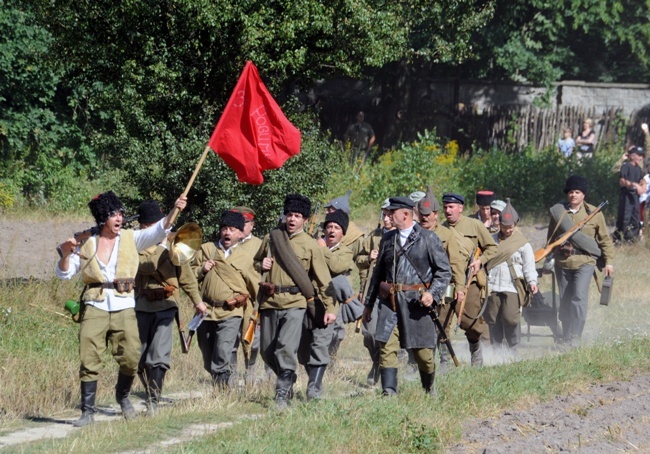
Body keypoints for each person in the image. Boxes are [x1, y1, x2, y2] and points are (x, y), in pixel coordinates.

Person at [56, 191, 187, 427]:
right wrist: (66, 254)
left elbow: (158, 230)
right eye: (113, 214)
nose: (119, 219)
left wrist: (174, 210)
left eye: (120, 214)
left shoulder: (131, 238)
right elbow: (65, 273)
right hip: (95, 303)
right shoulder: (88, 243)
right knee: (89, 358)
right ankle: (87, 412)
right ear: (102, 218)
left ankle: (123, 395)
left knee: (131, 357)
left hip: (124, 304)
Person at [363, 197, 451, 396]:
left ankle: (429, 388)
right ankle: (389, 393)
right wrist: (368, 304)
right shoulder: (387, 239)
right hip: (389, 302)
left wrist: (433, 293)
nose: (387, 217)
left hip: (416, 304)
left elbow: (444, 272)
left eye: (391, 213)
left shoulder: (428, 238)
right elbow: (377, 275)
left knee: (424, 354)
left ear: (405, 214)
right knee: (386, 347)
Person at [255, 194, 337, 408]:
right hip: (270, 302)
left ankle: (282, 393)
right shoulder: (272, 238)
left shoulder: (311, 246)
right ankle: (288, 376)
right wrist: (260, 265)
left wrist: (330, 307)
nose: (292, 219)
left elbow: (323, 280)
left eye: (297, 216)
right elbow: (254, 263)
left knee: (285, 347)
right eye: (290, 214)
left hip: (295, 303)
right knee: (266, 350)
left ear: (305, 220)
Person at [134, 200, 206, 416]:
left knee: (158, 355)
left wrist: (197, 301)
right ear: (146, 227)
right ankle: (149, 392)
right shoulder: (136, 244)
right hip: (141, 306)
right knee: (139, 357)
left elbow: (186, 276)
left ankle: (153, 401)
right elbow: (147, 267)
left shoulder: (176, 243)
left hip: (166, 306)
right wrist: (163, 246)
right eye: (154, 225)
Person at [192, 210, 260, 389]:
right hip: (205, 310)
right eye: (224, 228)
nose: (227, 233)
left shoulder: (246, 258)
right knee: (207, 355)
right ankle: (221, 380)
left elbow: (255, 286)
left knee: (223, 351)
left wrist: (257, 312)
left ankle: (222, 391)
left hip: (232, 312)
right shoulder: (207, 249)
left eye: (232, 229)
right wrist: (201, 270)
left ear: (240, 233)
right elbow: (188, 276)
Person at [547, 175, 614, 346]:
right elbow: (551, 238)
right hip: (563, 262)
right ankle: (567, 334)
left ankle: (575, 338)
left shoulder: (594, 214)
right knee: (565, 300)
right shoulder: (559, 212)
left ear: (584, 194)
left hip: (585, 262)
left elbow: (605, 240)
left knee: (578, 298)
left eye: (577, 192)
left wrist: (609, 262)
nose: (573, 195)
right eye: (571, 192)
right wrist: (548, 258)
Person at [298, 209, 353, 400]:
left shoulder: (345, 252)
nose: (331, 230)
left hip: (329, 304)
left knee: (320, 345)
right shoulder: (312, 246)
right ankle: (313, 377)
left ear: (342, 233)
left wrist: (320, 249)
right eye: (329, 226)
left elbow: (336, 266)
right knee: (304, 349)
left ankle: (314, 387)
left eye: (336, 228)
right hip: (307, 302)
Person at [442, 192, 498, 366]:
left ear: (460, 208)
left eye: (451, 207)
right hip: (447, 282)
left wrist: (479, 261)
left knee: (470, 322)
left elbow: (492, 248)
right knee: (441, 321)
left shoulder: (474, 225)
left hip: (470, 282)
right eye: (445, 207)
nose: (448, 211)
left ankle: (476, 351)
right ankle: (445, 359)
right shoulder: (441, 229)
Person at [416, 187, 466, 372]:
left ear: (436, 214)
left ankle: (444, 360)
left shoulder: (446, 235)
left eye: (428, 214)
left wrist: (460, 288)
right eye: (421, 214)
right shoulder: (413, 234)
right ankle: (420, 362)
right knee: (421, 326)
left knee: (442, 326)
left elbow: (456, 264)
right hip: (419, 288)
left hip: (445, 288)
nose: (424, 218)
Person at [484, 201, 538, 353]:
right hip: (493, 285)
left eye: (510, 227)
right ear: (499, 224)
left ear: (515, 224)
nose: (508, 230)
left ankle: (513, 350)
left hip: (512, 286)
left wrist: (532, 282)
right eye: (505, 226)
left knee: (511, 318)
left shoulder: (523, 244)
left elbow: (529, 266)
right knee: (493, 319)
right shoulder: (491, 240)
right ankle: (496, 351)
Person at [356, 199, 394, 386]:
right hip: (374, 291)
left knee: (387, 333)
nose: (386, 219)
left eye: (389, 215)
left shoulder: (402, 237)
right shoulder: (374, 237)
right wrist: (368, 258)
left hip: (393, 292)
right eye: (384, 215)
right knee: (369, 333)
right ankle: (376, 361)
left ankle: (384, 368)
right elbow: (359, 259)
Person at [230, 206, 264, 383]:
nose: (243, 226)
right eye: (239, 222)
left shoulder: (260, 244)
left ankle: (250, 369)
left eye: (246, 222)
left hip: (252, 298)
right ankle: (231, 373)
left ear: (252, 224)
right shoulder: (229, 244)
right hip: (232, 298)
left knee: (251, 337)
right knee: (231, 337)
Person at [613, 146, 646, 243]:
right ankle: (619, 239)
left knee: (635, 218)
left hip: (635, 196)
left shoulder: (638, 169)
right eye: (639, 155)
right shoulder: (626, 166)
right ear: (632, 156)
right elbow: (622, 181)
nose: (640, 158)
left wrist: (643, 185)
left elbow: (642, 179)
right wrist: (633, 184)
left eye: (642, 156)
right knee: (624, 218)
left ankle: (631, 240)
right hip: (626, 195)